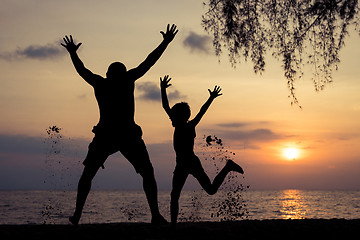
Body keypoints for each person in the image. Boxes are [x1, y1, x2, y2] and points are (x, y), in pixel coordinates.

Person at [61, 24, 178, 225]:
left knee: (92, 174)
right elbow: (148, 62)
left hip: (118, 134)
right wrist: (165, 42)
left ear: (108, 74)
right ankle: (155, 215)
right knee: (144, 173)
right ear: (116, 74)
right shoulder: (121, 80)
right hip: (115, 134)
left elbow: (83, 70)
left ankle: (78, 214)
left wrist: (73, 53)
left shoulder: (104, 82)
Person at [160, 75, 244, 228]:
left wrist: (211, 98)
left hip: (191, 162)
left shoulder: (188, 126)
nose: (171, 118)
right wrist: (163, 89)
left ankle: (228, 167)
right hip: (181, 164)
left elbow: (201, 111)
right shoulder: (180, 125)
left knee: (210, 190)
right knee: (175, 195)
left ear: (180, 117)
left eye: (173, 115)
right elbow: (165, 106)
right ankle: (173, 225)